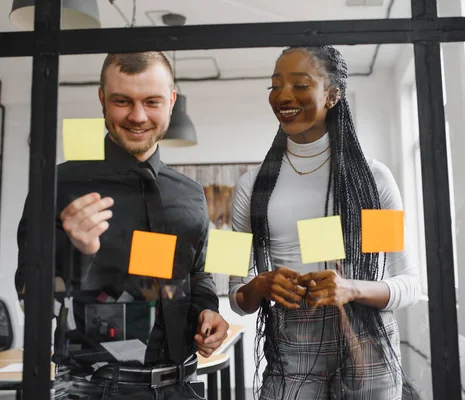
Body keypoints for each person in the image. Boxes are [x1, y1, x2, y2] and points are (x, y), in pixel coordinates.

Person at [15, 52, 228, 399]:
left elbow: (197, 275)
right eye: (122, 101)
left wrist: (209, 310)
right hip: (92, 389)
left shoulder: (190, 194)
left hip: (183, 385)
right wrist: (76, 254)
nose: (138, 116)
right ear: (102, 99)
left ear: (171, 101)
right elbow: (30, 298)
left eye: (152, 101)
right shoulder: (59, 186)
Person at [229, 45, 422, 399]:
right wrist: (261, 284)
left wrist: (352, 289)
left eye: (300, 84)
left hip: (369, 345)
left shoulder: (373, 180)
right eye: (274, 86)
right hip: (291, 345)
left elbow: (410, 285)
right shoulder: (249, 186)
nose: (283, 95)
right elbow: (233, 295)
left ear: (332, 95)